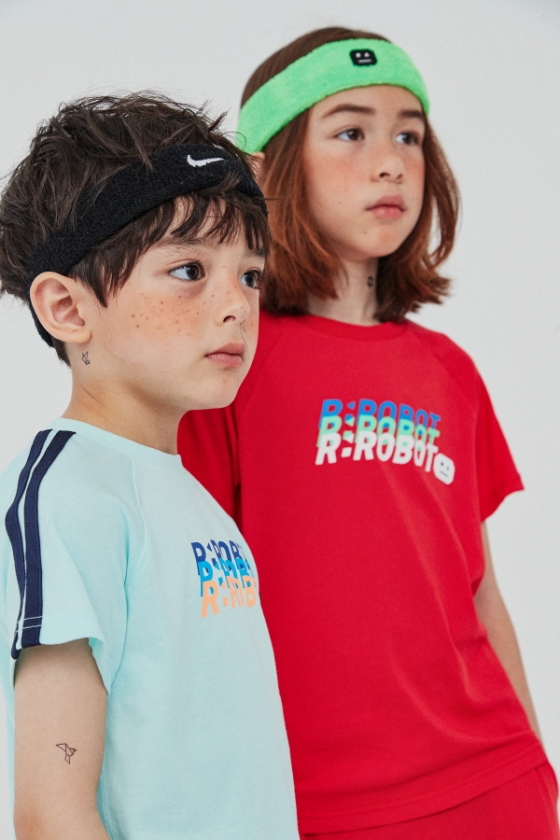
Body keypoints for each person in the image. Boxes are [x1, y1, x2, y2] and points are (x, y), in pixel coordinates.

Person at [178, 27, 559, 840]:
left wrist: (540, 764)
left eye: (409, 136)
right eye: (351, 132)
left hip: (492, 781)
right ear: (269, 169)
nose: (390, 162)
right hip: (312, 802)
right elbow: (187, 595)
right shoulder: (228, 362)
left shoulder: (449, 372)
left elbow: (481, 590)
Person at [0, 93, 299, 840]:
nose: (236, 306)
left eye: (251, 275)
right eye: (189, 269)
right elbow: (51, 814)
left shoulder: (186, 493)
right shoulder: (68, 495)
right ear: (68, 309)